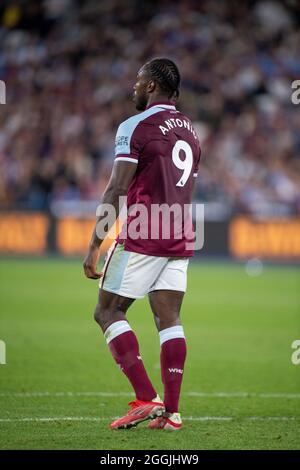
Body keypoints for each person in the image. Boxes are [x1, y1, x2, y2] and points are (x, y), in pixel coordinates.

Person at [83, 57, 201, 430]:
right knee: (169, 318)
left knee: (106, 312)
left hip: (144, 232)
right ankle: (173, 414)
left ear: (151, 86)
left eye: (138, 81)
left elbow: (117, 188)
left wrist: (94, 244)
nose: (134, 87)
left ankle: (146, 399)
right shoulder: (191, 131)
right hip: (180, 231)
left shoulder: (135, 126)